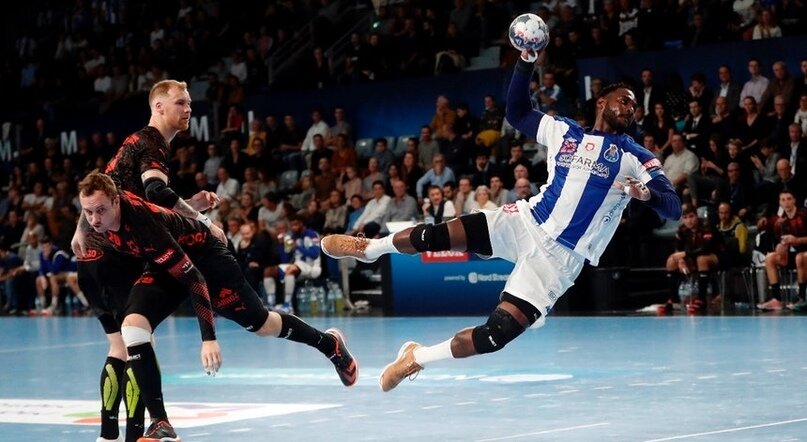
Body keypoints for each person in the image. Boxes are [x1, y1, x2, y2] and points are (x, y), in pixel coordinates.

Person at [319, 48, 681, 392]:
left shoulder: (637, 156)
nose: (630, 108)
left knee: (496, 334)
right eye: (624, 100)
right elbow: (518, 113)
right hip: (525, 221)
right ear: (601, 102)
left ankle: (416, 357)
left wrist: (647, 195)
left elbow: (673, 207)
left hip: (560, 260)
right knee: (436, 236)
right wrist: (526, 61)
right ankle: (370, 248)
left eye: (634, 106)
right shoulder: (565, 131)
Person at [78, 172, 358, 437]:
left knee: (262, 324)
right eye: (88, 212)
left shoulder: (142, 226)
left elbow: (194, 279)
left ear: (116, 201)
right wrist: (79, 232)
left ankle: (328, 344)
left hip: (207, 261)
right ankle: (160, 422)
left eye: (100, 210)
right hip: (167, 265)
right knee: (133, 327)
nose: (94, 219)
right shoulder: (102, 217)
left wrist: (209, 339)